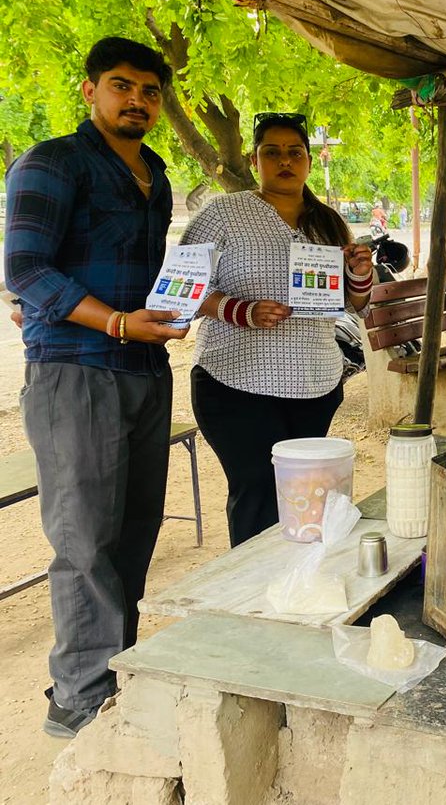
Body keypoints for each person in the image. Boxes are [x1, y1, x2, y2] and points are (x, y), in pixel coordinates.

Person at [4, 37, 187, 738]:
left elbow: (149, 278)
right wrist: (114, 322)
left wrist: (175, 305)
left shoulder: (157, 174)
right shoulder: (54, 162)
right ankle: (79, 698)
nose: (136, 99)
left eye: (149, 90)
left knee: (134, 533)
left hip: (144, 368)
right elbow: (25, 270)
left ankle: (115, 674)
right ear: (90, 91)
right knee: (83, 537)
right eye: (121, 86)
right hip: (75, 371)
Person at [181, 112, 374, 547]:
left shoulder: (327, 222)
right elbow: (182, 289)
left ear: (308, 160)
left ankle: (296, 588)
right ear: (254, 160)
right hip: (235, 382)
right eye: (272, 152)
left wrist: (360, 275)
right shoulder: (224, 213)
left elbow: (353, 305)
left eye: (294, 152)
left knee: (304, 496)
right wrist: (238, 311)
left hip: (315, 384)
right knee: (257, 494)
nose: (284, 161)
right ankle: (251, 600)